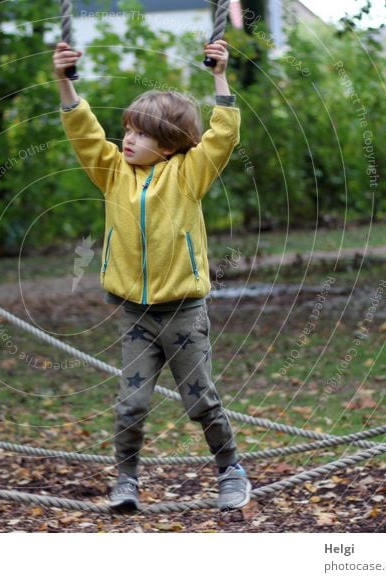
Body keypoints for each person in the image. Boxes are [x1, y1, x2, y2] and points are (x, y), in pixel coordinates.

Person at [52, 39, 251, 512]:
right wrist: (64, 79)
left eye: (141, 134)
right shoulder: (112, 172)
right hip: (136, 314)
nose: (129, 139)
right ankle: (126, 481)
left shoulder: (188, 174)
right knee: (131, 405)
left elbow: (223, 137)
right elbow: (82, 131)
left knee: (199, 400)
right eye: (127, 130)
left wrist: (220, 75)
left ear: (168, 145)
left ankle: (230, 469)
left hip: (182, 312)